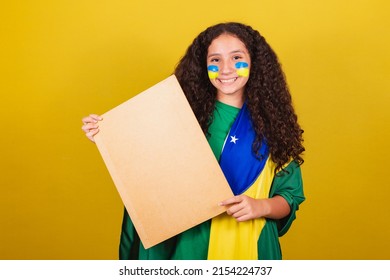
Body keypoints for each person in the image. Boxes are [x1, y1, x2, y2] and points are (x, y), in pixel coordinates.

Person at [81, 22, 305, 260]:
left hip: (246, 244)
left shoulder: (274, 126)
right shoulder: (179, 114)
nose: (225, 69)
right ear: (203, 66)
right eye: (215, 60)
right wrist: (107, 136)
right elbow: (144, 164)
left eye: (236, 57)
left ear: (254, 63)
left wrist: (261, 206)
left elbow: (290, 196)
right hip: (186, 244)